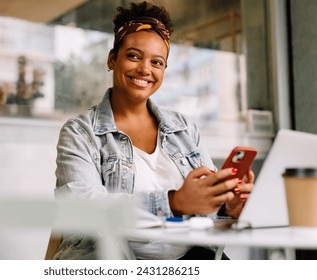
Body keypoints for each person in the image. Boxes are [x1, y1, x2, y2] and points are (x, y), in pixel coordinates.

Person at [53, 1, 254, 260]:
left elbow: (206, 211)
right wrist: (173, 203)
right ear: (112, 59)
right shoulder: (80, 133)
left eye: (157, 62)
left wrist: (228, 206)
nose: (145, 69)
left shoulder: (185, 129)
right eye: (134, 56)